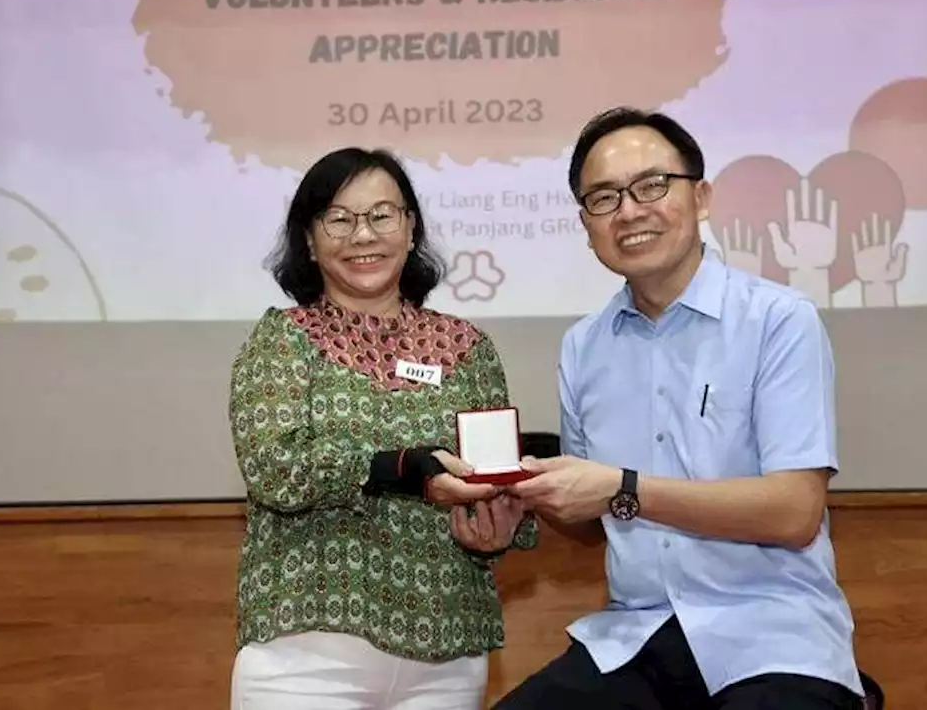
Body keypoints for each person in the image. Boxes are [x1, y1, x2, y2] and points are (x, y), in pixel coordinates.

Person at [498, 108, 863, 709]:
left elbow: (795, 512)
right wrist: (527, 501)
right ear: (586, 224)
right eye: (604, 197)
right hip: (634, 638)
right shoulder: (583, 346)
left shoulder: (778, 320)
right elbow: (595, 524)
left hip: (772, 637)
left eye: (651, 186)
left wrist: (626, 486)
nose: (630, 211)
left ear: (702, 197)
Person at [229, 146, 537, 710]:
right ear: (309, 240)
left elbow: (495, 478)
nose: (362, 236)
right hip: (309, 654)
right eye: (339, 220)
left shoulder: (468, 348)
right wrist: (403, 469)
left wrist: (494, 529)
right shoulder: (282, 340)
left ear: (410, 227)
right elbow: (276, 470)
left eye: (381, 216)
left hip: (447, 650)